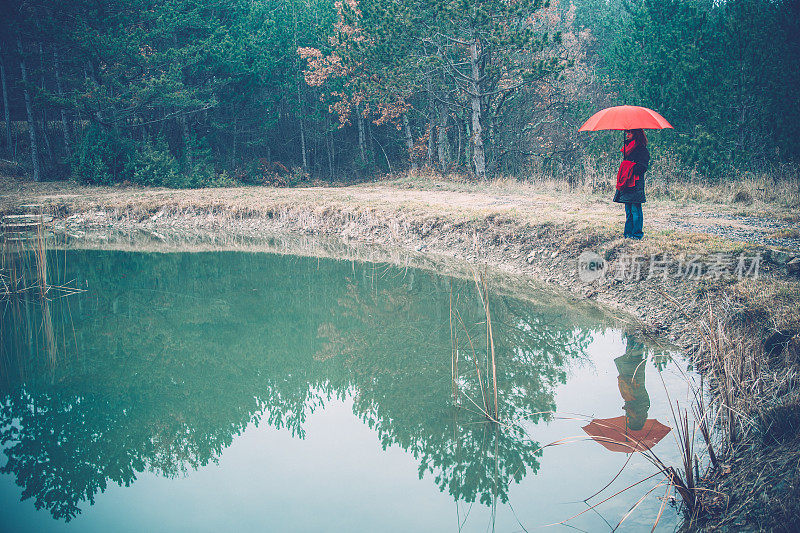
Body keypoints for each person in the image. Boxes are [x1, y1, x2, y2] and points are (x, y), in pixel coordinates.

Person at [613, 129, 649, 239]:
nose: (627, 135)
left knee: (635, 210)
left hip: (635, 183)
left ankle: (637, 235)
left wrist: (630, 167)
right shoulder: (627, 149)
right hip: (627, 183)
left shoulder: (642, 150)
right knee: (628, 210)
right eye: (627, 133)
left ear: (636, 134)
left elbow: (643, 167)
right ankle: (628, 234)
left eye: (630, 133)